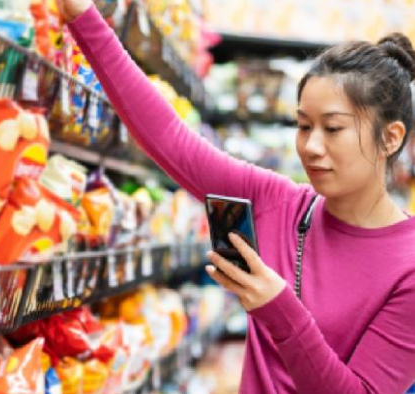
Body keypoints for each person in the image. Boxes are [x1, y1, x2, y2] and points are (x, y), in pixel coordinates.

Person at [57, 0, 415, 392]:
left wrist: (280, 310)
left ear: (391, 137)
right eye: (303, 125)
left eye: (332, 128)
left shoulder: (408, 265)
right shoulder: (278, 202)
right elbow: (169, 138)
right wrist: (83, 18)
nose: (311, 146)